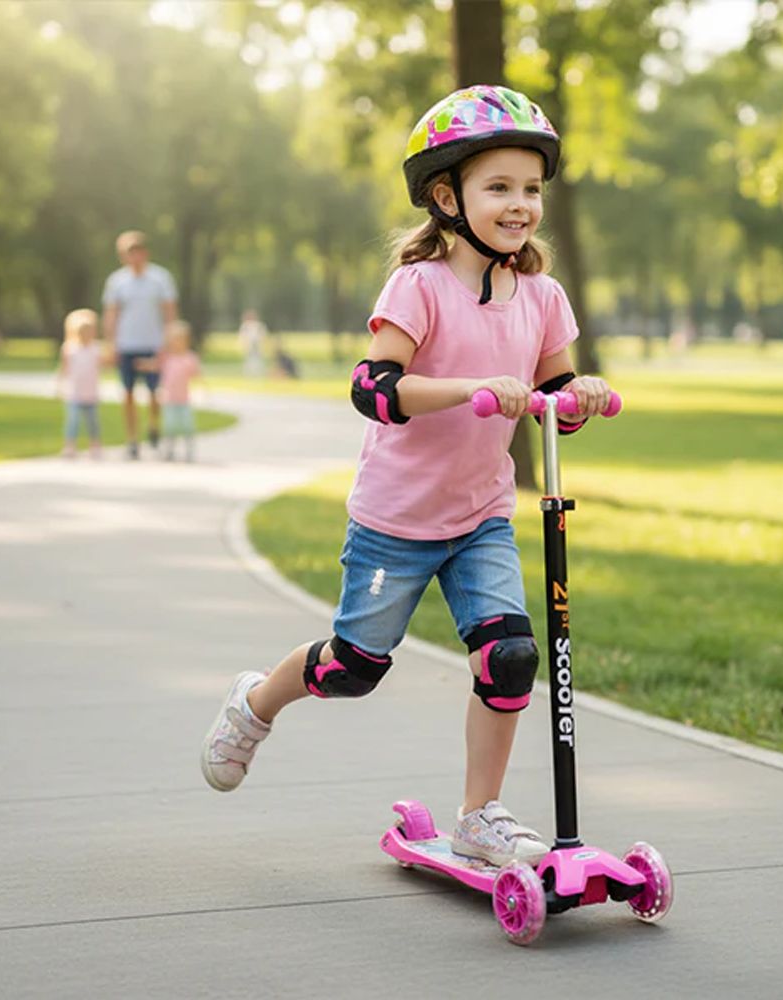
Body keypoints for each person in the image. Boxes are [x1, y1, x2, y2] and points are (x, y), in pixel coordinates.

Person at [200, 85, 613, 867]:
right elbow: (375, 388)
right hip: (396, 520)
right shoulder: (419, 287)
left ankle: (479, 815)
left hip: (481, 516)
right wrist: (469, 388)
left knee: (509, 658)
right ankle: (255, 703)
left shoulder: (544, 297)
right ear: (447, 197)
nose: (520, 205)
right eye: (499, 187)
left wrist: (579, 396)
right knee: (354, 668)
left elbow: (555, 400)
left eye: (531, 188)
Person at [101, 231, 178, 460]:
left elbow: (170, 313)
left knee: (155, 392)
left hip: (154, 344)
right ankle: (132, 440)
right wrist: (110, 344)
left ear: (145, 253)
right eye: (128, 254)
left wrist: (169, 343)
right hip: (126, 344)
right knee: (127, 394)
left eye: (137, 252)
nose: (133, 258)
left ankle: (153, 426)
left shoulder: (160, 278)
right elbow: (111, 314)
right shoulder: (117, 281)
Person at [56, 308, 104, 459]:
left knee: (93, 422)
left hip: (90, 393)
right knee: (73, 422)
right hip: (74, 393)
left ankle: (95, 445)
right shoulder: (70, 349)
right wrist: (59, 385)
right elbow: (63, 369)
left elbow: (104, 364)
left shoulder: (96, 349)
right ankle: (70, 446)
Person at [158, 320, 202, 462]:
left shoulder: (190, 358)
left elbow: (197, 374)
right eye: (173, 340)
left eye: (180, 340)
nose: (176, 343)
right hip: (169, 400)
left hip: (184, 400)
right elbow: (156, 367)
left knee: (188, 426)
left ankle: (190, 451)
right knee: (169, 426)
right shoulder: (167, 358)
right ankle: (169, 450)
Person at [237, 308, 268, 377]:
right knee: (249, 360)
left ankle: (259, 373)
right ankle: (249, 373)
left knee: (258, 360)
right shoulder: (245, 326)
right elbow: (242, 337)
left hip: (257, 346)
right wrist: (244, 345)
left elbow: (262, 336)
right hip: (249, 346)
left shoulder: (259, 326)